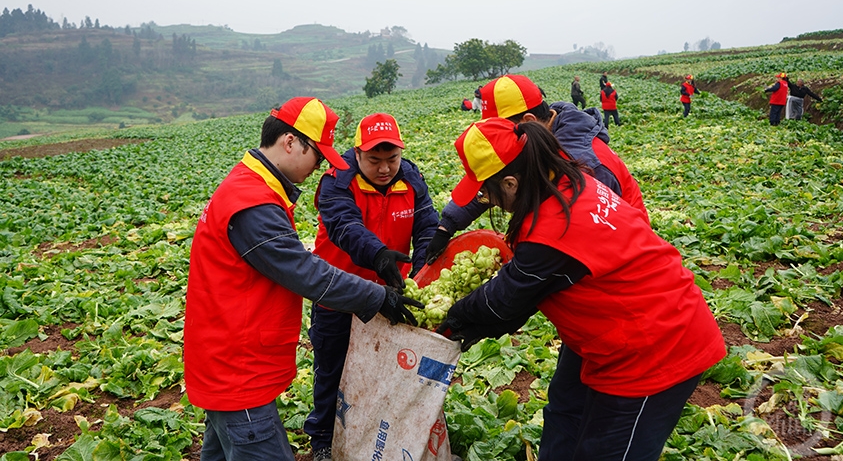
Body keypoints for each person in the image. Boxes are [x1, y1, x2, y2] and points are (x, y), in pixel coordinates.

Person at [435, 117, 727, 461]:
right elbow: (526, 292)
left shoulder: (552, 229)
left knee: (605, 451)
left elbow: (504, 300)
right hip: (627, 328)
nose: (489, 201)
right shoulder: (568, 181)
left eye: (487, 192)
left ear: (511, 184)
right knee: (569, 419)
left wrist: (453, 318)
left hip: (656, 349)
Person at [183, 97, 423, 461]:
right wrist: (378, 297)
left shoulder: (249, 187)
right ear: (291, 142)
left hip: (228, 361)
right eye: (318, 154)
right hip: (238, 370)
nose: (321, 165)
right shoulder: (253, 204)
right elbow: (307, 273)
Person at [304, 112, 439, 461]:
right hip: (340, 292)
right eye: (374, 161)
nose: (384, 169)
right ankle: (322, 439)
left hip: (391, 294)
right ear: (358, 154)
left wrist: (420, 270)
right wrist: (379, 255)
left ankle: (378, 429)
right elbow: (344, 226)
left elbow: (426, 225)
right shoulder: (338, 180)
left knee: (389, 368)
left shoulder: (410, 177)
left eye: (391, 159)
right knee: (332, 369)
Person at [427, 73, 649, 264]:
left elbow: (593, 244)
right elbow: (493, 179)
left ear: (529, 119)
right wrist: (447, 225)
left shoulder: (585, 163)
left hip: (622, 262)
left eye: (504, 130)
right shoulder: (542, 139)